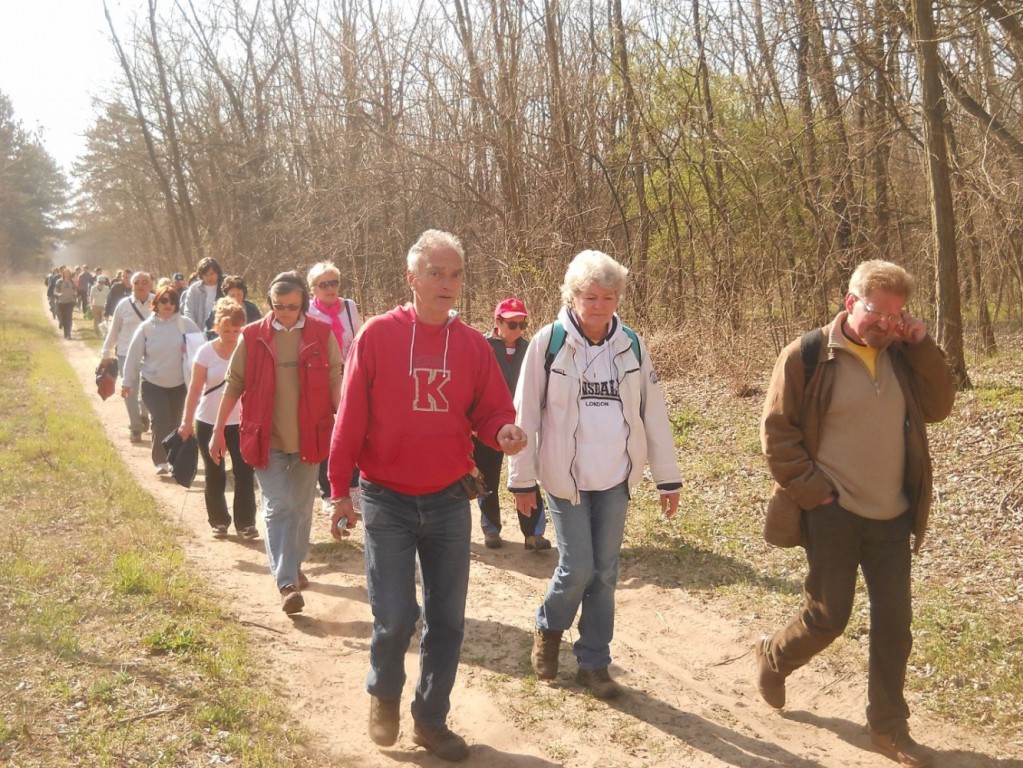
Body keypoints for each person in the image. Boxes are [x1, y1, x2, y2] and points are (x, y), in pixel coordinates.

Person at [327, 229, 527, 763]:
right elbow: (349, 419)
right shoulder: (375, 336)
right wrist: (339, 489)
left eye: (455, 273)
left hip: (446, 500)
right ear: (411, 279)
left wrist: (502, 431)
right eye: (436, 272)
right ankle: (384, 693)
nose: (448, 282)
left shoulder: (472, 347)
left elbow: (490, 411)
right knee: (395, 614)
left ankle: (430, 718)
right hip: (386, 499)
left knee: (448, 619)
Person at [755, 260, 955, 768]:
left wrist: (923, 343)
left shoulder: (904, 356)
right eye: (876, 312)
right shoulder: (807, 356)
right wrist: (813, 492)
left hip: (893, 515)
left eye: (897, 315)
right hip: (834, 511)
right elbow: (778, 434)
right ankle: (774, 657)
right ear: (850, 303)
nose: (886, 323)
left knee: (896, 626)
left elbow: (940, 405)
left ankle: (887, 728)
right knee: (828, 617)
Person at [509, 249, 682, 700]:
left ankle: (593, 663)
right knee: (578, 566)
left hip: (615, 480)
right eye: (590, 296)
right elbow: (524, 415)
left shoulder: (631, 344)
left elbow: (653, 412)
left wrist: (667, 477)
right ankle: (549, 628)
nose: (599, 305)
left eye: (608, 297)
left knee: (604, 572)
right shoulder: (548, 343)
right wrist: (522, 479)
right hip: (565, 480)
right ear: (572, 296)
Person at [210, 272, 342, 614]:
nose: (284, 312)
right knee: (278, 504)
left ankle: (293, 562)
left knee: (300, 507)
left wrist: (343, 422)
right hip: (265, 436)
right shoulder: (253, 336)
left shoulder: (321, 333)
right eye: (278, 306)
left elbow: (334, 379)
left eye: (292, 306)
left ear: (304, 303)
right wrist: (218, 430)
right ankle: (286, 582)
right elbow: (234, 383)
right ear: (270, 303)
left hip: (310, 435)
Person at [473, 297, 549, 550]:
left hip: (522, 422)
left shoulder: (531, 349)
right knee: (487, 478)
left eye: (522, 324)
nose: (517, 329)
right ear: (497, 322)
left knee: (527, 477)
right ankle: (491, 528)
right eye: (512, 323)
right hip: (488, 424)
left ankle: (533, 533)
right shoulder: (481, 347)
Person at [178, 298, 258, 539]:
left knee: (245, 473)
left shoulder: (249, 350)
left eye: (236, 330)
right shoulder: (205, 352)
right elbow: (194, 390)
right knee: (215, 472)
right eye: (226, 330)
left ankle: (246, 523)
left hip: (242, 423)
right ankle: (219, 520)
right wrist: (186, 421)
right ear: (216, 327)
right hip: (208, 422)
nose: (231, 335)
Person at [122, 285, 203, 474]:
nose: (168, 305)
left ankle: (173, 459)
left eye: (173, 301)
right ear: (156, 303)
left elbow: (202, 349)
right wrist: (127, 382)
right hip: (152, 383)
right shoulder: (146, 328)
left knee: (175, 422)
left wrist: (189, 349)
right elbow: (133, 356)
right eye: (164, 300)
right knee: (161, 419)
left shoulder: (186, 324)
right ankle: (160, 461)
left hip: (180, 384)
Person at [306, 261, 362, 509]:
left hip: (348, 375)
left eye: (334, 282)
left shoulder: (349, 307)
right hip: (320, 377)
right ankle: (328, 491)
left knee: (352, 428)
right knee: (326, 432)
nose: (330, 288)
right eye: (324, 284)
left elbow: (360, 340)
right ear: (313, 289)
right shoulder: (307, 312)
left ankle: (354, 486)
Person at [101, 272, 154, 442]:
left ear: (151, 285)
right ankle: (136, 427)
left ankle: (144, 413)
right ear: (131, 285)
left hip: (151, 354)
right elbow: (114, 330)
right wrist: (106, 353)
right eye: (137, 282)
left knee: (148, 389)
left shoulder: (159, 302)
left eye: (145, 282)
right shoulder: (123, 305)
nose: (141, 285)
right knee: (129, 390)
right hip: (125, 353)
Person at [182, 257, 224, 333]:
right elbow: (188, 311)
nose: (209, 278)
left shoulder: (224, 287)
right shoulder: (194, 289)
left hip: (221, 331)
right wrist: (194, 327)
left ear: (217, 273)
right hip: (199, 331)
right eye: (206, 275)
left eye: (212, 274)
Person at [54, 267, 78, 339]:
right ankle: (65, 333)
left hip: (70, 301)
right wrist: (59, 294)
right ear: (63, 274)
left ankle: (69, 334)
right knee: (64, 318)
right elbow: (55, 291)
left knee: (69, 317)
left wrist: (75, 293)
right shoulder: (59, 282)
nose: (67, 275)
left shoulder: (72, 282)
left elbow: (75, 290)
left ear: (70, 274)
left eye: (68, 273)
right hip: (62, 302)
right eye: (66, 273)